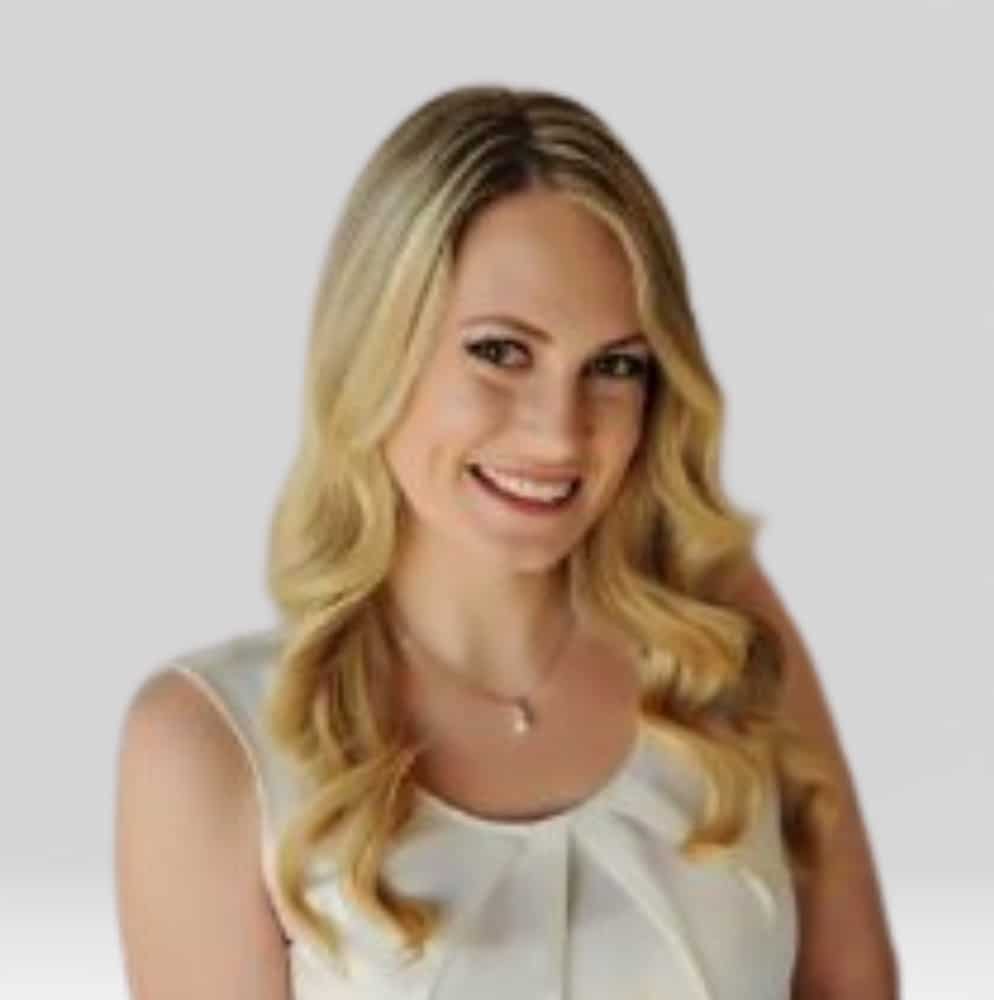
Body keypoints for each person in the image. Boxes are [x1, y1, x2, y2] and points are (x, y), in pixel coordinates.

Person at [114, 85, 898, 998]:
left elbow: (856, 987)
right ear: (377, 344)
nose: (559, 433)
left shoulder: (721, 637)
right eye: (501, 351)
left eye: (613, 366)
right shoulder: (211, 745)